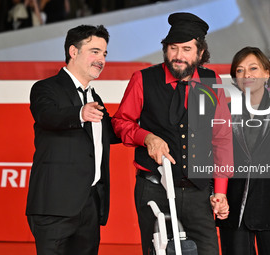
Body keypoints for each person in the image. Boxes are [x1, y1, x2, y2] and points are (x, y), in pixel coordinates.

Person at [112, 12, 233, 255]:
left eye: (187, 49)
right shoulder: (143, 79)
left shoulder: (212, 81)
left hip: (199, 191)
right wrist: (146, 137)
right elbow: (120, 122)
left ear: (200, 53)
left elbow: (221, 137)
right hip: (154, 189)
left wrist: (220, 191)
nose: (178, 56)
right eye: (173, 48)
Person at [26, 24, 120, 255]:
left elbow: (112, 132)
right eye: (95, 51)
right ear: (73, 51)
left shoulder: (93, 96)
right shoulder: (46, 88)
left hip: (89, 205)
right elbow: (47, 116)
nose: (101, 59)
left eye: (104, 54)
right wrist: (79, 114)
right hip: (55, 206)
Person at [217, 46, 270, 255]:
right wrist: (216, 196)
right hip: (233, 212)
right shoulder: (225, 112)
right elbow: (216, 159)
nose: (247, 75)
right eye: (240, 70)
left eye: (253, 68)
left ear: (267, 73)